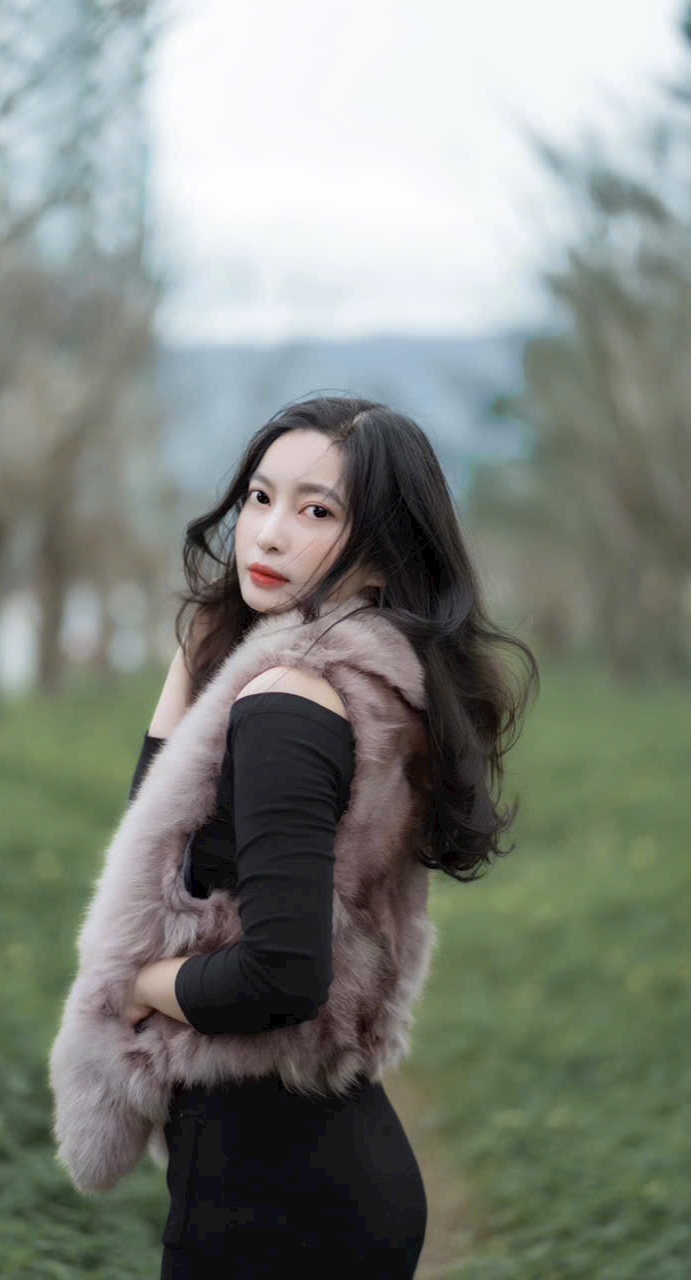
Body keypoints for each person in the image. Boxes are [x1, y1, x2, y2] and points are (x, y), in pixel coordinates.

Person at [123, 395, 539, 1278]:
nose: (268, 535)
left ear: (383, 551)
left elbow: (281, 975)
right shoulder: (369, 679)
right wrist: (197, 659)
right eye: (259, 498)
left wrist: (137, 983)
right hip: (315, 1174)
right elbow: (162, 848)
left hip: (276, 1207)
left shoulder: (288, 701)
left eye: (316, 512)